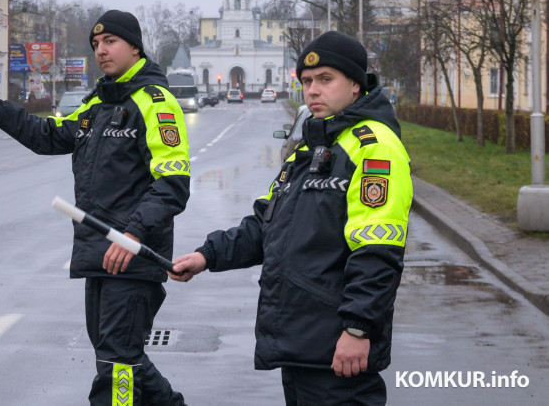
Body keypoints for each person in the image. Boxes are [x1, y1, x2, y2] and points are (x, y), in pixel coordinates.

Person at [170, 31, 412, 405]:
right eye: (307, 81)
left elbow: (378, 250)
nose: (312, 90)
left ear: (355, 84)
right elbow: (265, 224)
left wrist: (358, 329)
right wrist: (208, 255)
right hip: (303, 343)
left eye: (325, 79)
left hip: (338, 345)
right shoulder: (312, 148)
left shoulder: (373, 147)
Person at [0, 10, 190, 406]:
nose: (101, 50)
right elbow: (46, 135)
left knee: (117, 367)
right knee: (120, 358)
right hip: (98, 256)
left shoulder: (156, 103)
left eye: (110, 42)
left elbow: (172, 184)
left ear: (135, 47)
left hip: (133, 257)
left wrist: (133, 234)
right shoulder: (97, 105)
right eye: (95, 44)